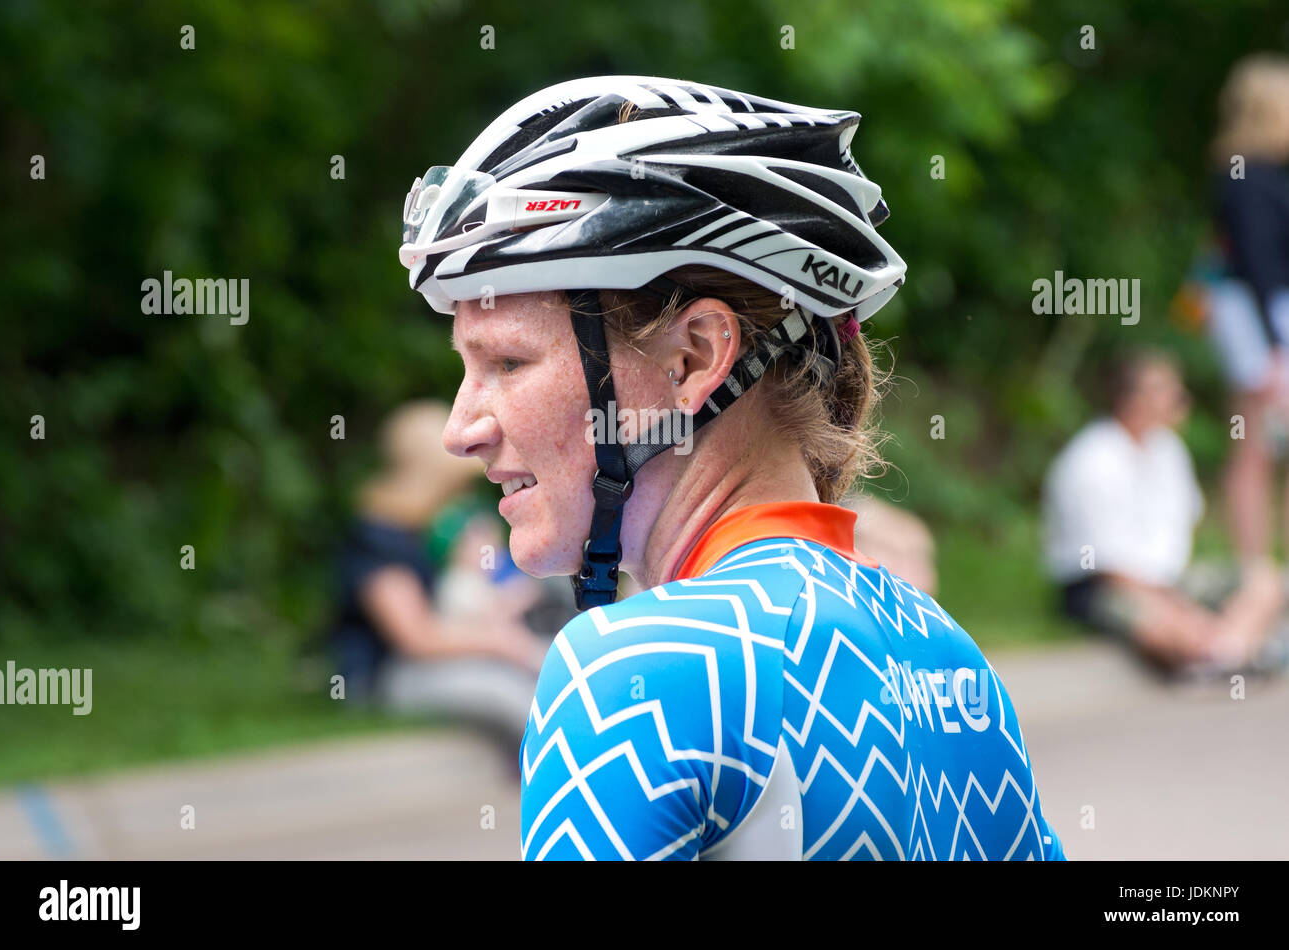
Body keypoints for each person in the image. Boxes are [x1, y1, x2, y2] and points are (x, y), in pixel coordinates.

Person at [397, 76, 1065, 860]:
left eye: (508, 362)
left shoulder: (641, 670)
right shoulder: (949, 657)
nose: (460, 430)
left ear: (696, 357)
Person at [1042, 348, 1286, 676]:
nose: (1179, 397)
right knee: (1159, 623)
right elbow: (1108, 566)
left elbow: (1180, 530)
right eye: (1164, 389)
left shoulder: (1169, 449)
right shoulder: (1091, 460)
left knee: (1266, 580)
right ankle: (1231, 652)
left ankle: (1221, 654)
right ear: (1129, 399)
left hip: (1168, 581)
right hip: (1102, 586)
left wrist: (1181, 600)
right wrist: (1180, 608)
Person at [326, 400, 549, 757]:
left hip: (428, 663)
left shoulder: (422, 530)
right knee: (503, 691)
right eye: (455, 484)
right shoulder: (379, 538)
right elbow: (418, 638)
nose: (462, 496)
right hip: (385, 675)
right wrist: (501, 643)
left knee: (542, 666)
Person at [1206, 54, 1289, 565]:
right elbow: (1259, 265)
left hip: (1265, 315)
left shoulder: (1265, 175)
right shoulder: (1246, 179)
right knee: (1255, 443)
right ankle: (1255, 562)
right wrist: (1275, 345)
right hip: (1258, 318)